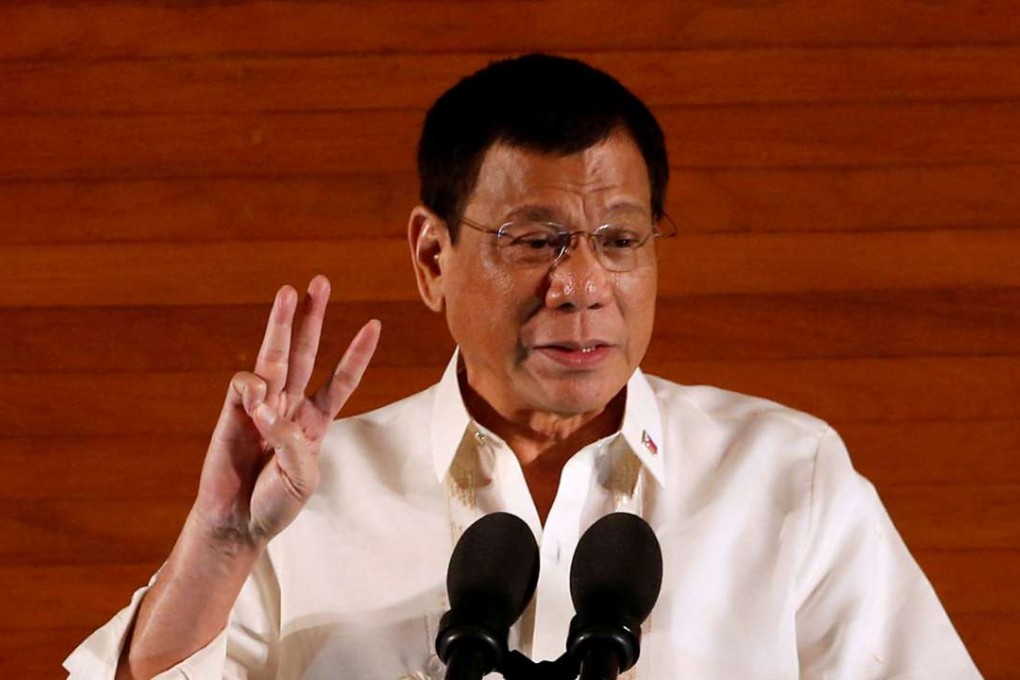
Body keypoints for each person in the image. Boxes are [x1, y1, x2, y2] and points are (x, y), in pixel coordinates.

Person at [65, 54, 981, 679]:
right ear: (432, 259)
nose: (582, 286)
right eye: (535, 239)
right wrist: (221, 545)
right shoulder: (305, 498)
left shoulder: (788, 476)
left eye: (620, 239)